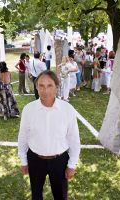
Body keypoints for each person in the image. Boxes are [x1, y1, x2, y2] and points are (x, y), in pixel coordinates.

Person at [18, 70, 81, 200]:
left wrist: (72, 165)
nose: (45, 90)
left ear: (57, 87)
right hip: (35, 160)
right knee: (36, 195)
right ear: (36, 87)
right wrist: (24, 160)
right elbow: (23, 136)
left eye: (49, 85)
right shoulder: (28, 109)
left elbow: (74, 139)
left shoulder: (67, 110)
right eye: (41, 85)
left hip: (60, 161)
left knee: (61, 196)